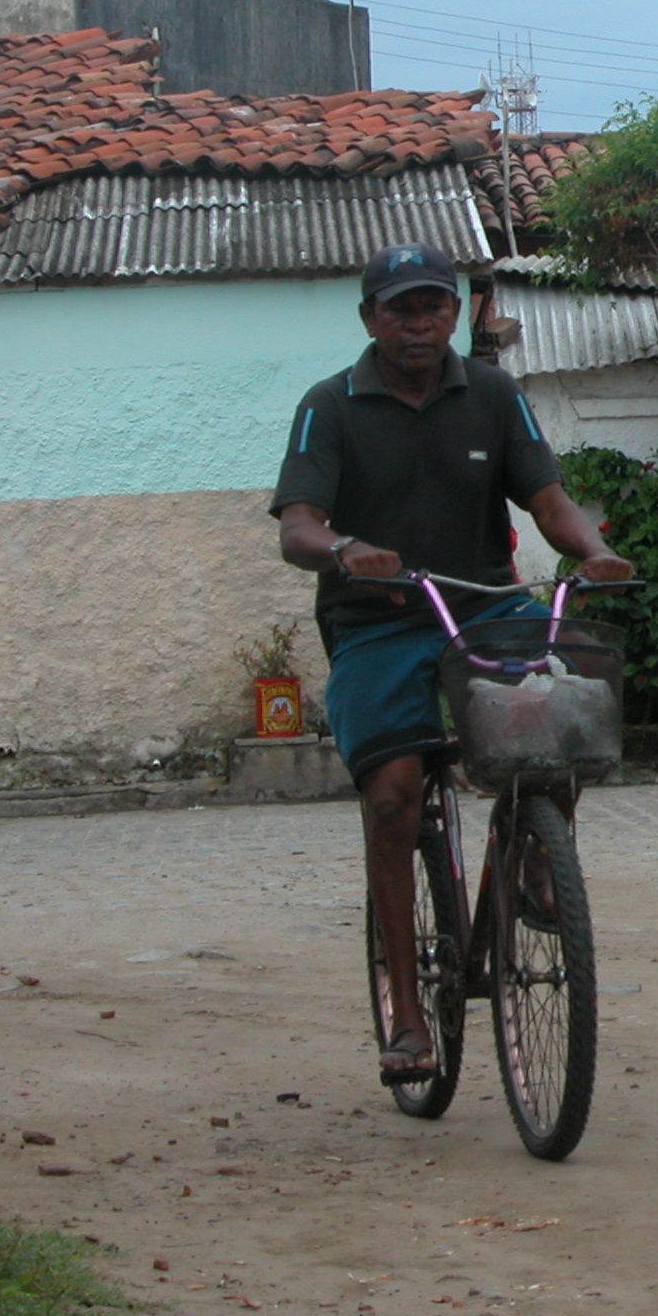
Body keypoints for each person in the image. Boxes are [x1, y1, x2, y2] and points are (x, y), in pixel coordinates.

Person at [270, 242, 631, 1081]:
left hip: (484, 609)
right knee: (394, 796)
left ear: (456, 312)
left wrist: (594, 551)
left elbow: (548, 500)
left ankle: (537, 859)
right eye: (400, 309)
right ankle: (408, 1015)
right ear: (370, 318)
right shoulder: (330, 406)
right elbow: (296, 525)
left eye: (434, 306)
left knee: (579, 683)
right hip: (377, 623)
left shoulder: (495, 395)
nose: (420, 323)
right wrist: (343, 548)